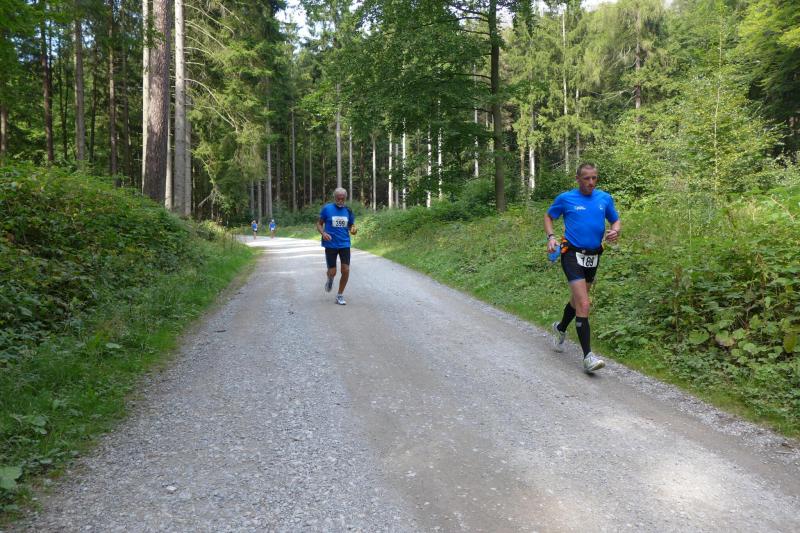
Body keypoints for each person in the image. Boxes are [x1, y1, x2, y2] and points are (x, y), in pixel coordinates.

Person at [544, 163, 621, 373]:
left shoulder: (604, 198)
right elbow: (549, 216)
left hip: (593, 256)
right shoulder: (566, 198)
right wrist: (551, 237)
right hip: (571, 253)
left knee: (576, 300)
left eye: (594, 178)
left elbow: (615, 220)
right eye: (586, 178)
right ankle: (588, 357)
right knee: (584, 303)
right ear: (577, 179)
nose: (591, 182)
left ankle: (560, 328)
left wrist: (615, 231)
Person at [316, 188, 357, 305]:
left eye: (342, 199)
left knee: (346, 269)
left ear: (345, 198)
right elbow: (319, 224)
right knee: (332, 272)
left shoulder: (348, 210)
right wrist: (323, 233)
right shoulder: (327, 209)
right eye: (338, 198)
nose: (340, 201)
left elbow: (351, 225)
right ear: (334, 198)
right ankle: (330, 278)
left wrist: (353, 230)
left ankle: (339, 295)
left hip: (344, 244)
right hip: (330, 244)